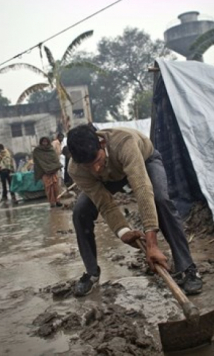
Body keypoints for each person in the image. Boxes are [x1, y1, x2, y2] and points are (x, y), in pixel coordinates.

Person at [67, 125, 203, 297]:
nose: (95, 169)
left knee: (160, 199)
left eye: (96, 161)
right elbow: (104, 203)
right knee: (80, 211)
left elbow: (141, 188)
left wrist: (152, 244)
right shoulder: (75, 169)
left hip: (145, 160)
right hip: (111, 177)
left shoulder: (124, 142)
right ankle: (91, 273)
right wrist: (123, 232)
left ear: (101, 144)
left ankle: (187, 267)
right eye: (88, 166)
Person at [33, 137, 63, 208]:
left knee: (56, 187)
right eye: (43, 142)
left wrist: (55, 167)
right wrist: (45, 168)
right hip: (45, 173)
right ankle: (52, 202)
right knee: (49, 188)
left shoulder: (51, 150)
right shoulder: (37, 151)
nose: (45, 143)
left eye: (46, 142)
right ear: (41, 142)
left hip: (53, 172)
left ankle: (58, 201)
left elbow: (55, 160)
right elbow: (37, 162)